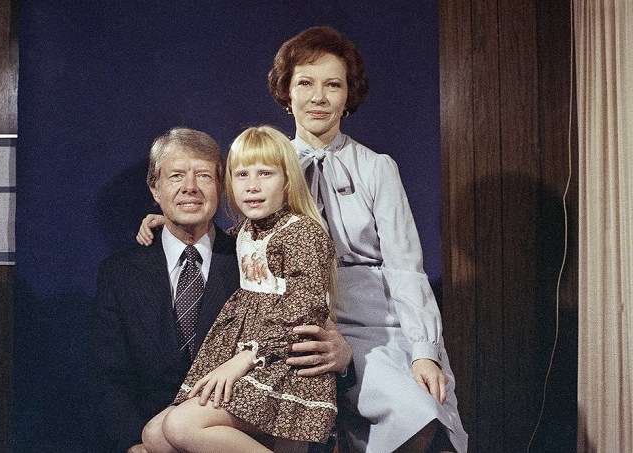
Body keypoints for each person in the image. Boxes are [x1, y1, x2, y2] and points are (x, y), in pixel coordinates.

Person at [139, 27, 468, 453]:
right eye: (305, 84)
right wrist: (178, 222)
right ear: (286, 93)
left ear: (349, 96)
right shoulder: (267, 162)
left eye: (333, 85)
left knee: (416, 413)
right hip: (292, 325)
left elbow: (406, 267)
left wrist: (423, 350)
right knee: (168, 432)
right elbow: (244, 240)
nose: (319, 97)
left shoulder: (377, 168)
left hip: (373, 325)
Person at [87, 127, 351, 453]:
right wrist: (130, 445)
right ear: (155, 188)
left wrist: (343, 358)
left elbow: (306, 308)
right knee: (155, 435)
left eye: (203, 176)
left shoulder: (253, 250)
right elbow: (106, 378)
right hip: (175, 426)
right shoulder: (120, 274)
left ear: (218, 187)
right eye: (176, 177)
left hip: (264, 398)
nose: (190, 188)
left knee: (177, 427)